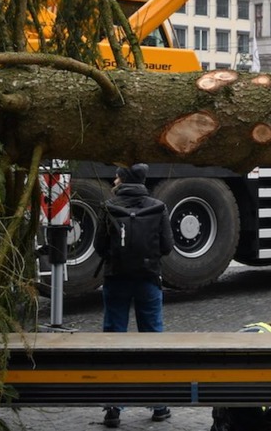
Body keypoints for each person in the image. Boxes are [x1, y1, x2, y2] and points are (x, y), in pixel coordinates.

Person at [94, 163, 174, 427]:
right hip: (148, 280)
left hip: (116, 280)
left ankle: (114, 407)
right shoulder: (158, 207)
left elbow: (99, 246)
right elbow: (167, 246)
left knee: (114, 340)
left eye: (117, 176)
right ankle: (159, 404)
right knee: (152, 339)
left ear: (123, 179)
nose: (114, 180)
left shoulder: (108, 206)